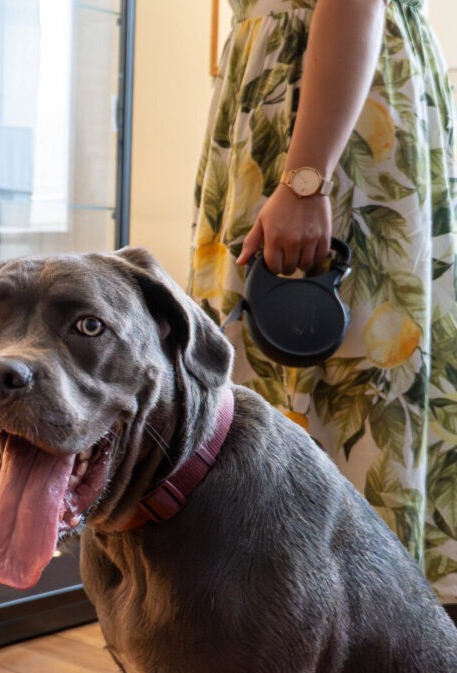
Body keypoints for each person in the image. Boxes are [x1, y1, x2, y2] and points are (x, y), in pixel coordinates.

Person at [188, 0, 457, 601]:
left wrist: (306, 179)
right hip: (293, 108)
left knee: (345, 392)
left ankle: (342, 627)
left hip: (324, 127)